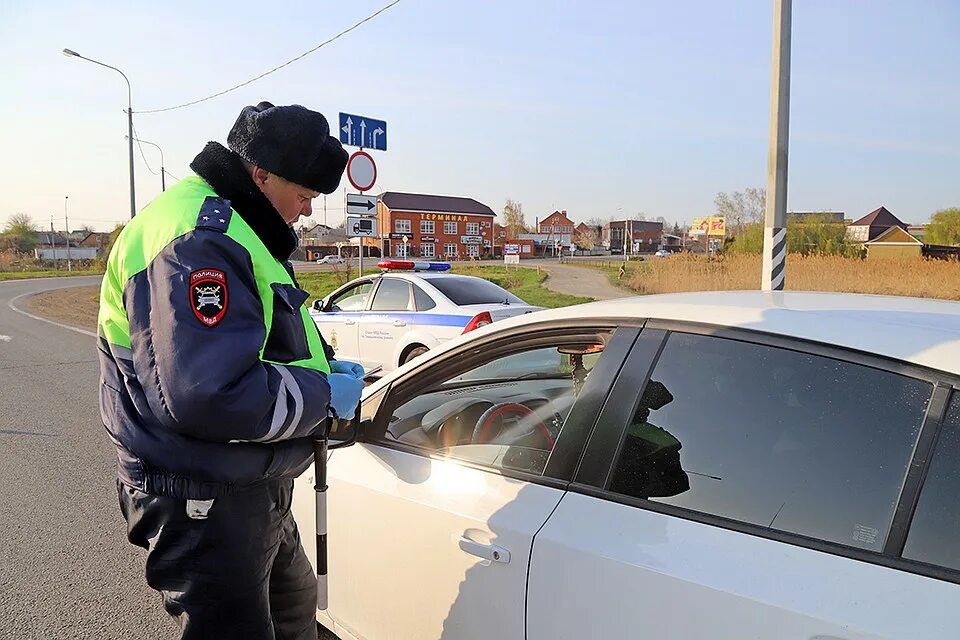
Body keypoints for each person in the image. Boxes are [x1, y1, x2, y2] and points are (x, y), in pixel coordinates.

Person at [97, 101, 366, 640]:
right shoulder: (201, 239)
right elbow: (208, 394)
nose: (308, 212)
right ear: (260, 174)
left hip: (244, 482)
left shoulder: (237, 227)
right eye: (304, 196)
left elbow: (255, 339)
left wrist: (323, 364)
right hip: (204, 491)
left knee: (294, 612)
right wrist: (322, 395)